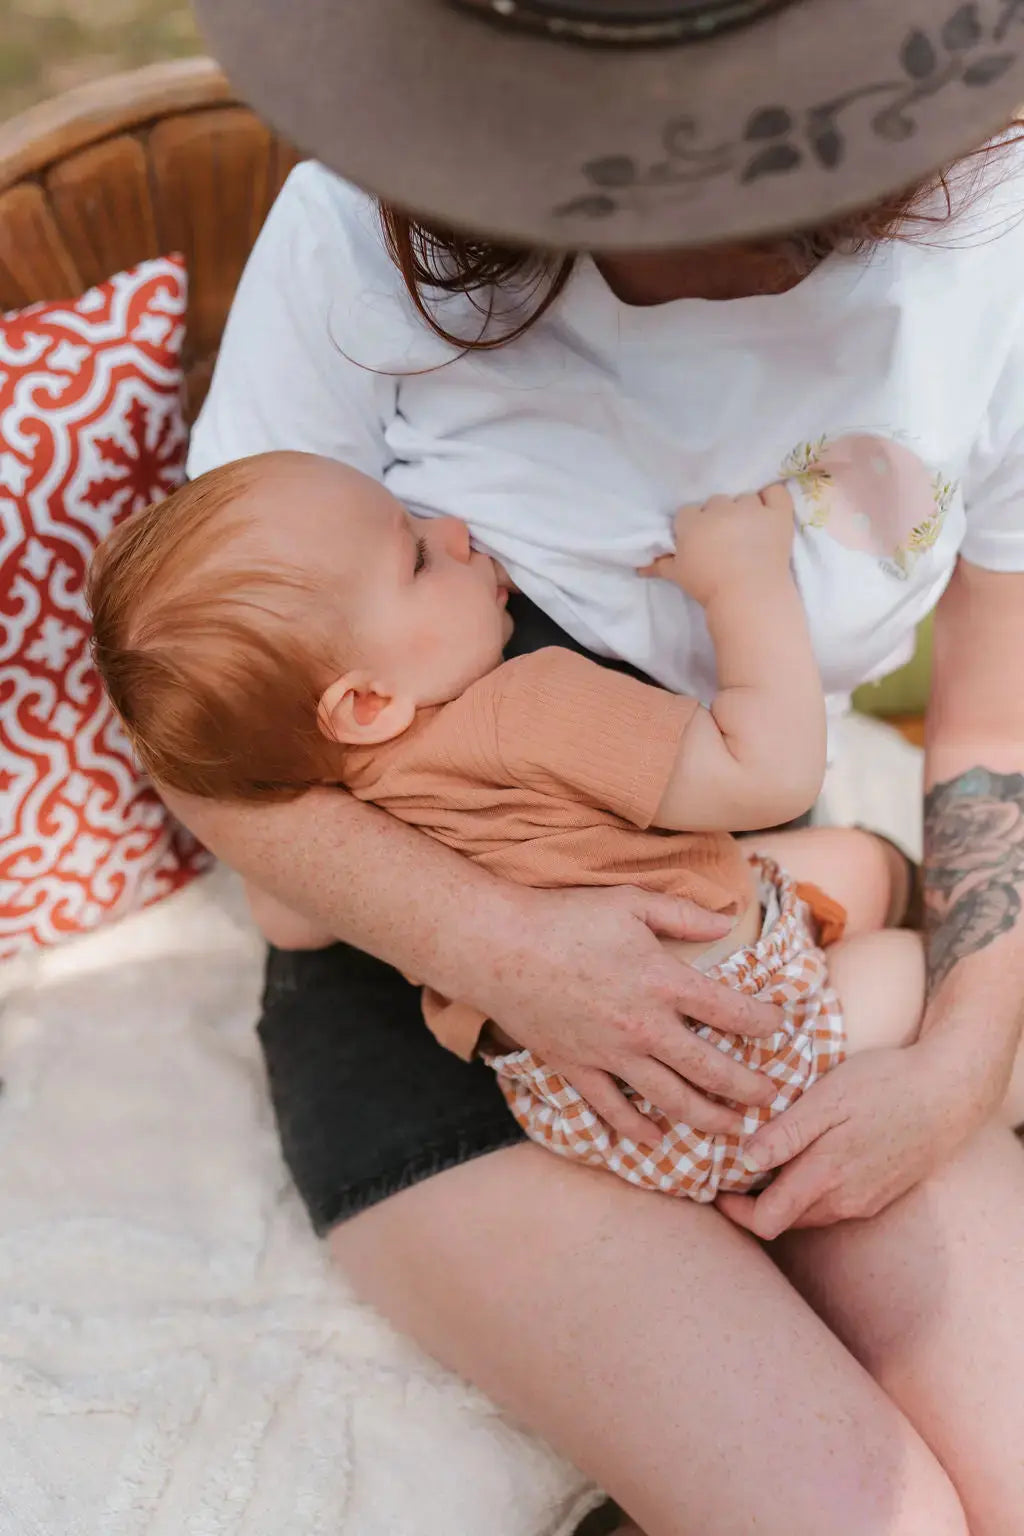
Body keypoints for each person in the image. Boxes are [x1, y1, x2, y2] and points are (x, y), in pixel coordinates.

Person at [165, 1, 1024, 1530]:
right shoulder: (370, 223)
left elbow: (996, 728)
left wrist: (961, 1066)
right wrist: (502, 946)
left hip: (734, 938)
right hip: (423, 1002)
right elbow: (213, 749)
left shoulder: (997, 248)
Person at [94, 451, 987, 1202]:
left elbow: (287, 920)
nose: (451, 532)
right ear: (365, 701)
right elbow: (769, 771)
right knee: (919, 970)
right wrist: (743, 583)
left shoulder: (342, 806)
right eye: (414, 557)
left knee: (847, 865)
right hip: (738, 1062)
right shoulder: (528, 705)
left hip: (588, 1112)